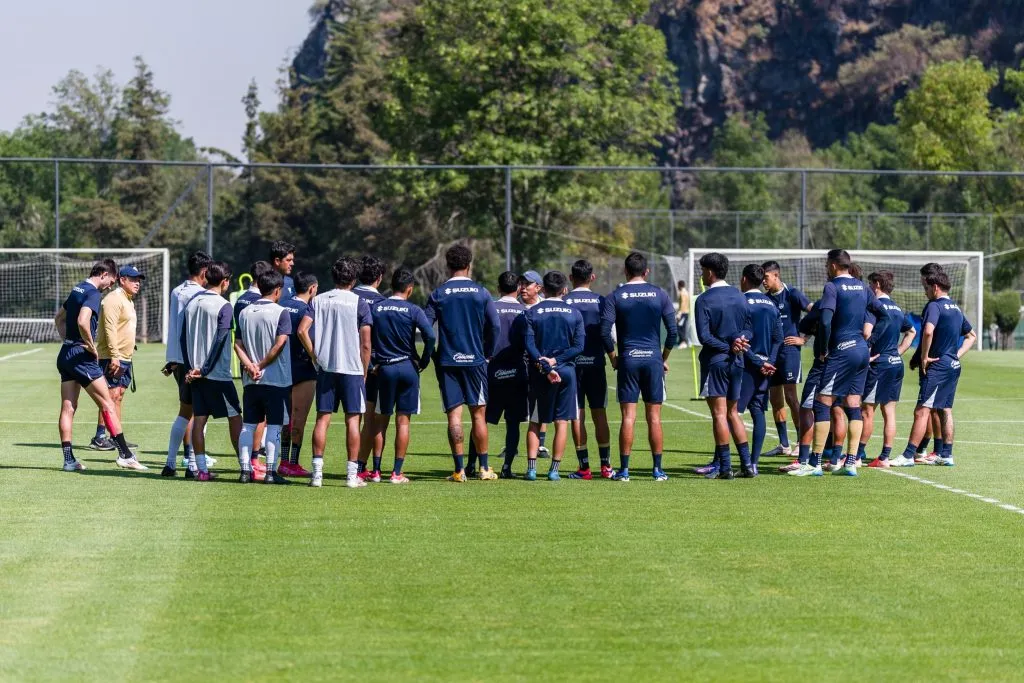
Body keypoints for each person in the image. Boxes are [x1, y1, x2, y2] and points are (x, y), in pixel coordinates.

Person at [54, 261, 141, 472]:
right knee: (108, 403)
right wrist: (91, 348)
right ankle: (125, 455)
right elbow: (84, 321)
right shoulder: (93, 293)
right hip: (82, 357)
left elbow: (59, 319)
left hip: (65, 354)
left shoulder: (77, 289)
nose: (110, 285)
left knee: (68, 407)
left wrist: (69, 342)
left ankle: (68, 461)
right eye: (111, 281)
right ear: (103, 274)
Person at [808, 249, 888, 477]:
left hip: (841, 351)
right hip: (861, 352)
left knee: (823, 402)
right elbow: (885, 317)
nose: (826, 268)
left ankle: (814, 463)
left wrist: (823, 349)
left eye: (826, 264)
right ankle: (851, 462)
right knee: (854, 404)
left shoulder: (832, 287)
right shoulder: (863, 287)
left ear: (833, 265)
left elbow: (824, 321)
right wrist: (870, 341)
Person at [424, 244, 501, 482]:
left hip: (448, 362)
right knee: (479, 415)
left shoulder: (438, 293)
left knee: (454, 417)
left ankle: (459, 471)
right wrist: (487, 353)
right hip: (475, 361)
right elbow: (495, 326)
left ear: (448, 266)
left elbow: (427, 329)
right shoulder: (481, 292)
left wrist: (430, 354)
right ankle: (484, 468)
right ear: (469, 265)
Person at [600, 252, 679, 482]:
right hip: (653, 359)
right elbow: (673, 332)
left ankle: (624, 471)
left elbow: (604, 332)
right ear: (646, 272)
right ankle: (657, 470)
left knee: (628, 417)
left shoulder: (616, 296)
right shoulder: (660, 294)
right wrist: (663, 357)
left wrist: (613, 357)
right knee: (654, 418)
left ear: (625, 271)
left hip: (628, 359)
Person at [892, 271, 976, 467]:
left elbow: (928, 331)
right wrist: (955, 355)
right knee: (945, 409)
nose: (925, 293)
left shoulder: (934, 306)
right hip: (953, 365)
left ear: (935, 287)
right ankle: (946, 454)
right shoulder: (955, 308)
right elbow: (971, 336)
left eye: (926, 288)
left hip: (938, 366)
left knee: (922, 410)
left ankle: (908, 455)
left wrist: (924, 357)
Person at [310, 256, 373, 489]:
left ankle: (317, 475)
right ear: (354, 279)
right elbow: (366, 344)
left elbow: (302, 330)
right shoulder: (359, 302)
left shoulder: (318, 300)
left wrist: (314, 354)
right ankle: (350, 476)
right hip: (352, 368)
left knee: (322, 419)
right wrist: (364, 371)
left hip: (326, 367)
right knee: (353, 422)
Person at [370, 268, 436, 483]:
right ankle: (397, 473)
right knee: (403, 422)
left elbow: (364, 335)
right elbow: (430, 336)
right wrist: (425, 360)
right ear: (410, 289)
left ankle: (377, 471)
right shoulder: (413, 310)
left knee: (381, 420)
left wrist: (372, 362)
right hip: (407, 367)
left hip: (385, 369)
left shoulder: (377, 308)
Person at [181, 261, 242, 481]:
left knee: (200, 420)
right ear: (225, 281)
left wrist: (191, 368)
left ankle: (201, 471)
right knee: (235, 417)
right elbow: (221, 338)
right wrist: (205, 369)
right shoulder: (224, 305)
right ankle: (245, 467)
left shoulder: (192, 302)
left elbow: (182, 338)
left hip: (195, 373)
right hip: (216, 374)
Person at [692, 252, 751, 480]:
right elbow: (749, 328)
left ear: (709, 272)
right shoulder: (739, 295)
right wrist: (739, 342)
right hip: (737, 361)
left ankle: (725, 468)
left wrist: (728, 346)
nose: (701, 275)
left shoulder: (704, 299)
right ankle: (747, 465)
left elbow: (704, 337)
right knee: (733, 413)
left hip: (716, 361)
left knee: (719, 414)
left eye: (702, 270)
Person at [522, 271, 585, 481]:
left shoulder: (533, 312)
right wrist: (556, 362)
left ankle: (531, 469)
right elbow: (579, 346)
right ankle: (554, 470)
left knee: (535, 421)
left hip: (541, 372)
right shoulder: (574, 313)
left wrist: (544, 363)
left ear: (544, 289)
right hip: (566, 371)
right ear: (564, 290)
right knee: (562, 422)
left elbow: (529, 344)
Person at [235, 270, 293, 484]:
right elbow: (280, 343)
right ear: (277, 290)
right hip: (276, 379)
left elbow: (237, 345)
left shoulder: (245, 312)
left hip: (251, 380)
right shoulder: (281, 312)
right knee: (275, 426)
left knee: (248, 425)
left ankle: (244, 471)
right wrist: (260, 364)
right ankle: (270, 471)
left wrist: (250, 366)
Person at [162, 251, 211, 476]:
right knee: (192, 412)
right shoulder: (201, 295)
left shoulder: (176, 290)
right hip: (192, 358)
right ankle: (188, 463)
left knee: (186, 410)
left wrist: (171, 360)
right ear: (203, 272)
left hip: (177, 359)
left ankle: (175, 461)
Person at [92, 265, 146, 468]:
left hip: (124, 357)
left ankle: (117, 437)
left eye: (139, 279)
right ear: (122, 279)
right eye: (133, 279)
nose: (137, 282)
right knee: (110, 396)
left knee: (118, 396)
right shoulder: (114, 299)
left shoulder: (128, 300)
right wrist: (115, 356)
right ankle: (105, 437)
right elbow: (110, 328)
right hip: (112, 357)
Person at [861, 271, 916, 468]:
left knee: (867, 410)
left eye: (869, 284)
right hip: (894, 363)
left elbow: (867, 331)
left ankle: (857, 456)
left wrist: (864, 350)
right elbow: (912, 331)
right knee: (889, 411)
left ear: (876, 284)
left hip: (879, 364)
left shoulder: (874, 307)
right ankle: (884, 457)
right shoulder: (898, 309)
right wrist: (898, 352)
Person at [564, 259, 613, 479]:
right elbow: (608, 333)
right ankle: (606, 466)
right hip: (596, 363)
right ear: (592, 277)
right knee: (599, 414)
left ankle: (584, 467)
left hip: (573, 365)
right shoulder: (601, 301)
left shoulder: (564, 302)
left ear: (570, 277)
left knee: (577, 416)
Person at [761, 261, 813, 460]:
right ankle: (784, 444)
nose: (763, 281)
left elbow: (815, 312)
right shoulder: (765, 300)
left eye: (766, 277)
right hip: (772, 355)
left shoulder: (792, 293)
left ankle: (801, 442)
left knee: (791, 398)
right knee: (775, 400)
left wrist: (804, 338)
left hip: (790, 353)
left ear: (776, 275)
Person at [738, 264, 782, 477]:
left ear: (745, 279)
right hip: (766, 366)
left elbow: (739, 338)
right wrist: (769, 362)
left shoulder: (742, 302)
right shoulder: (771, 304)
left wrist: (756, 361)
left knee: (732, 413)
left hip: (747, 365)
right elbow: (778, 338)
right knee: (758, 411)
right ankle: (753, 462)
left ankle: (726, 462)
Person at [234, 261, 275, 479]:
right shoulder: (254, 302)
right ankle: (254, 460)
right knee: (260, 417)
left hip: (247, 362)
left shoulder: (241, 299)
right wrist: (255, 365)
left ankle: (251, 460)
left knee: (255, 415)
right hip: (260, 364)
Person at [488, 272, 529, 479]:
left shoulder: (491, 308)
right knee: (513, 423)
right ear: (519, 288)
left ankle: (475, 465)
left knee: (482, 420)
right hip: (517, 372)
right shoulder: (524, 311)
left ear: (498, 288)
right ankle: (507, 468)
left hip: (491, 371)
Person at [278, 272, 318, 478]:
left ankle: (283, 460)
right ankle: (291, 463)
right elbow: (305, 333)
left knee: (286, 418)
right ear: (312, 289)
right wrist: (314, 356)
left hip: (283, 367)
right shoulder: (308, 309)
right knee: (299, 418)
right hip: (303, 368)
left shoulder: (281, 304)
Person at [354, 255, 387, 481]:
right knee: (371, 419)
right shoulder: (384, 303)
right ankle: (361, 466)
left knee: (348, 417)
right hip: (372, 367)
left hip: (342, 364)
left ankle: (351, 465)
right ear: (379, 278)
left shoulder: (348, 296)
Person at [518, 269, 549, 459]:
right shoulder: (516, 306)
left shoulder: (545, 307)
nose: (522, 288)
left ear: (538, 287)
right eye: (521, 283)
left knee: (541, 402)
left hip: (539, 361)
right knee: (516, 403)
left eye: (527, 284)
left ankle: (541, 444)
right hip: (518, 361)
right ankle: (510, 444)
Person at [676, 279, 690, 348]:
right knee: (682, 327)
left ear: (679, 285)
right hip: (686, 312)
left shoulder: (682, 293)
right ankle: (681, 342)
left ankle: (684, 342)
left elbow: (683, 303)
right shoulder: (686, 292)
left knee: (679, 327)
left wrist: (679, 313)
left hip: (683, 313)